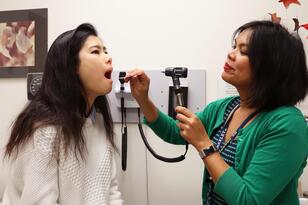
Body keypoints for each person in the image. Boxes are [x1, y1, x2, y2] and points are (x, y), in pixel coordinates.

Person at [125, 20, 308, 205]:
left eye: (243, 51)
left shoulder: (288, 125)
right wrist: (143, 99)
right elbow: (176, 133)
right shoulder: (225, 108)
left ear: (271, 67)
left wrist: (204, 144)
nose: (230, 54)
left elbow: (248, 200)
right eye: (234, 46)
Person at [2, 23, 123, 205]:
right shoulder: (44, 130)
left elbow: (111, 192)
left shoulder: (97, 121)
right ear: (71, 66)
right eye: (96, 51)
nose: (108, 57)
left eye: (105, 51)